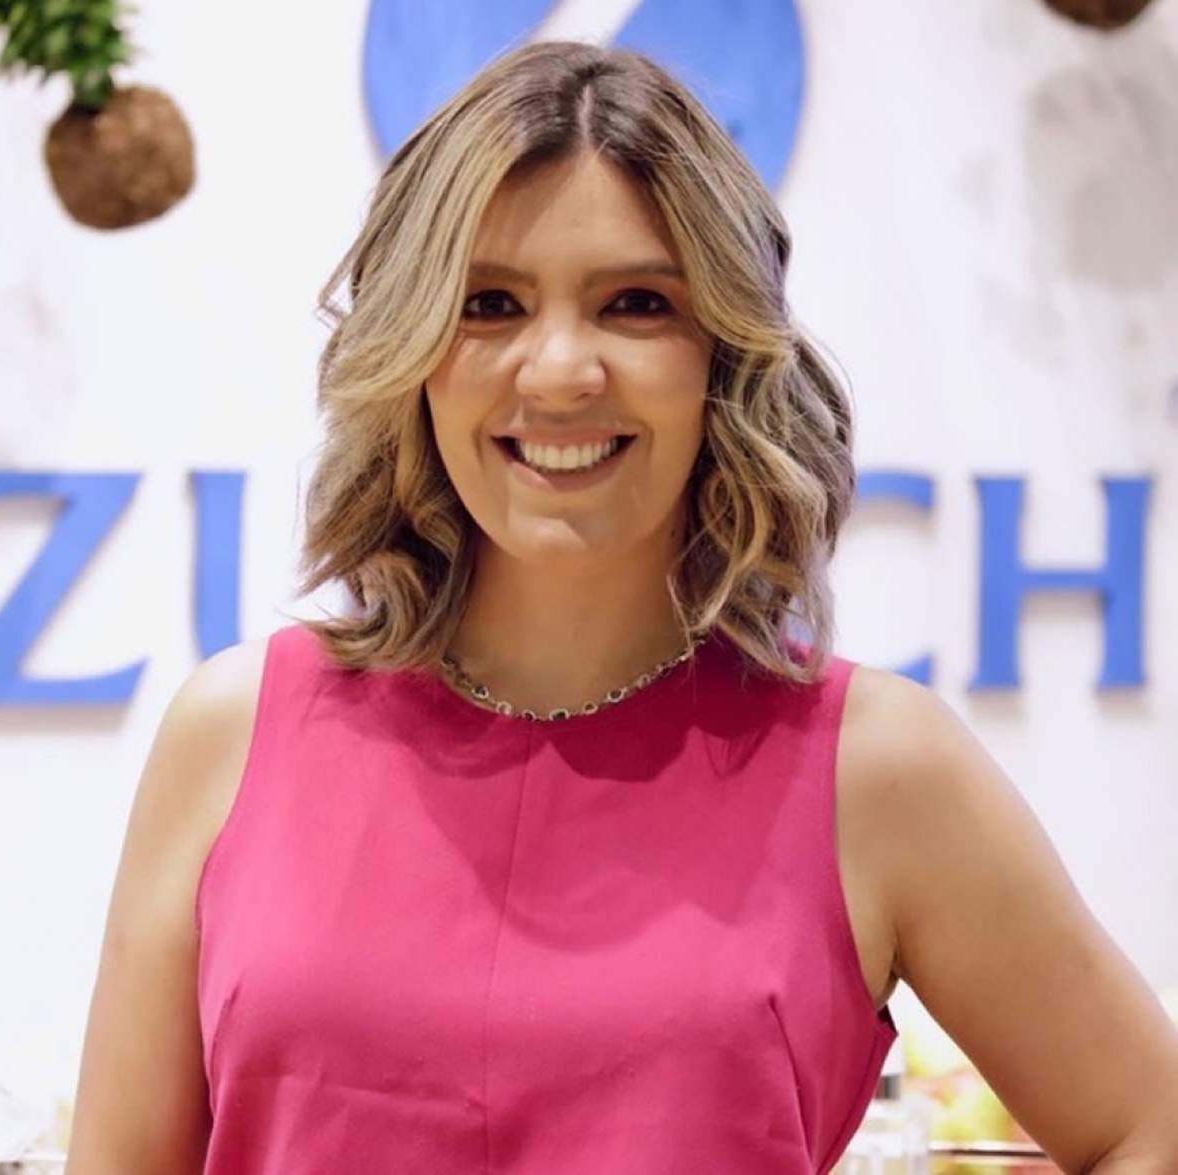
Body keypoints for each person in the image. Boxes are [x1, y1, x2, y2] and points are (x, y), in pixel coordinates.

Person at [65, 39, 1178, 1175]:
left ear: (724, 356)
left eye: (636, 304)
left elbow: (1149, 1124)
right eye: (488, 304)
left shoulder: (876, 770)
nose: (558, 370)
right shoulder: (232, 735)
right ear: (409, 352)